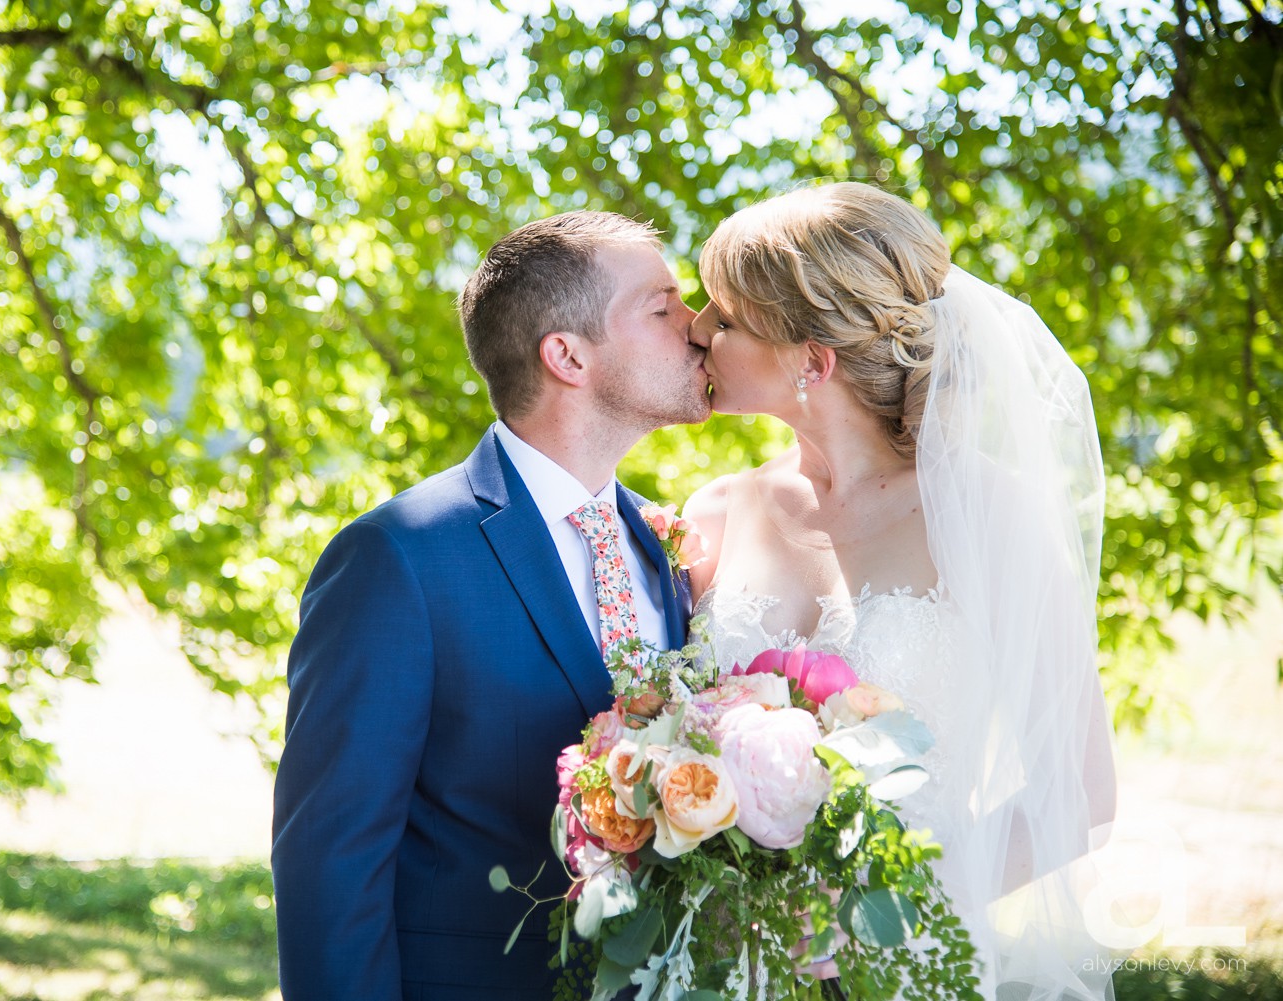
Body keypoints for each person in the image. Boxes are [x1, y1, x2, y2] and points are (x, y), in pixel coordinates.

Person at [682, 182, 1120, 1000]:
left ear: (814, 361)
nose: (695, 329)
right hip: (717, 963)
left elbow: (1078, 796)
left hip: (908, 958)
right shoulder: (712, 514)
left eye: (725, 317)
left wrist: (873, 907)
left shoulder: (989, 517)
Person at [272, 210, 711, 1000]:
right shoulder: (397, 556)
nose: (702, 325)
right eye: (663, 306)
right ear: (568, 354)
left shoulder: (667, 545)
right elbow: (330, 864)